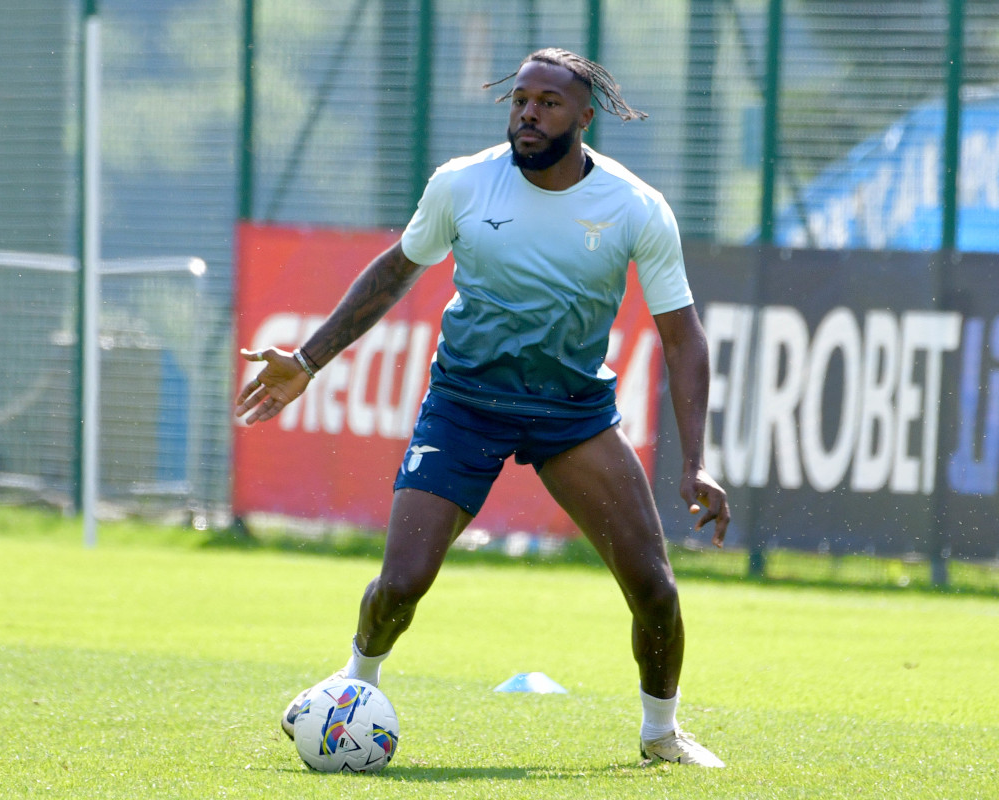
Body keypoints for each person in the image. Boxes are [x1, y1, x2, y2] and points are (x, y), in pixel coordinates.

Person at [235, 48, 730, 768]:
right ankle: (353, 688)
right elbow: (395, 271)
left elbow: (683, 339)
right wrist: (307, 362)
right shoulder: (462, 184)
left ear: (585, 118)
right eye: (520, 99)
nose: (529, 113)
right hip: (464, 404)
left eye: (548, 102)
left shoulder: (634, 208)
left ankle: (662, 734)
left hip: (572, 412)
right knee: (401, 583)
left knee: (655, 591)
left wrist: (697, 462)